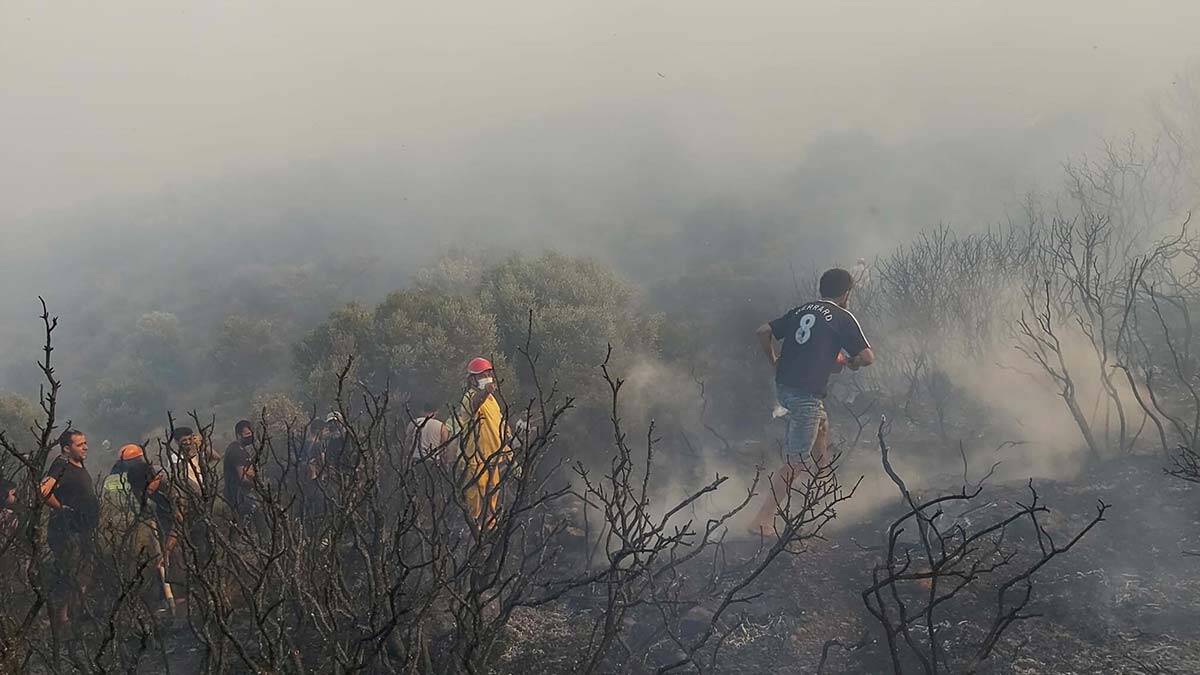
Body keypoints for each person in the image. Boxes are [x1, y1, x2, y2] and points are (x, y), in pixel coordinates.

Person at [749, 268, 875, 533]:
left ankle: (823, 483)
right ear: (846, 293)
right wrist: (851, 362)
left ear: (821, 289)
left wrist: (773, 360)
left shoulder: (801, 310)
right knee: (796, 461)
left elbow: (763, 331)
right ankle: (762, 520)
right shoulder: (842, 317)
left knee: (822, 424)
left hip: (784, 387)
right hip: (805, 395)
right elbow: (867, 357)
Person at [39, 429, 100, 628]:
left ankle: (75, 613)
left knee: (83, 572)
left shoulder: (78, 464)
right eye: (80, 444)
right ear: (67, 448)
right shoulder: (61, 465)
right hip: (67, 531)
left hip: (83, 529)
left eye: (85, 443)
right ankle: (60, 619)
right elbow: (43, 491)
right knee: (69, 573)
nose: (85, 447)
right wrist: (61, 508)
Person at [451, 358, 512, 534]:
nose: (489, 377)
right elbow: (474, 405)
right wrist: (484, 392)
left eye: (489, 373)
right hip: (477, 458)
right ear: (473, 379)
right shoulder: (470, 396)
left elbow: (498, 423)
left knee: (492, 494)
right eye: (484, 375)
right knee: (476, 496)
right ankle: (471, 532)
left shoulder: (492, 400)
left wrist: (507, 449)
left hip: (494, 456)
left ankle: (489, 530)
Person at [223, 420, 257, 518]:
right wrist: (257, 486)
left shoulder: (240, 449)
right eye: (247, 434)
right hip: (239, 496)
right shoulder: (236, 451)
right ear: (239, 435)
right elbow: (242, 478)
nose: (250, 436)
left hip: (240, 494)